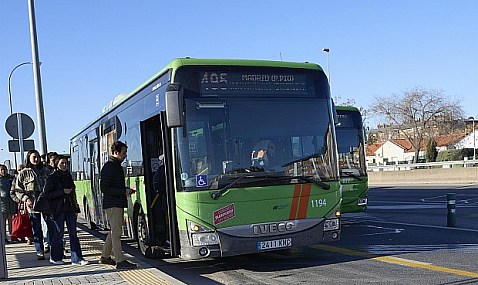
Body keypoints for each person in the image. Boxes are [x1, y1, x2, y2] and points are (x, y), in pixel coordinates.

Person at [43, 155, 88, 265]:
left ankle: (77, 259)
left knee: (73, 233)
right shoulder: (52, 177)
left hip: (70, 208)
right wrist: (62, 191)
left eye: (66, 163)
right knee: (59, 233)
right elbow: (47, 194)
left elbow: (73, 193)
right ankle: (55, 257)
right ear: (57, 165)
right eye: (62, 163)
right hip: (58, 209)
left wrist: (76, 208)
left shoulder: (68, 176)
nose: (64, 165)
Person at [99, 141, 137, 269]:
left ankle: (105, 257)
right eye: (123, 152)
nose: (125, 155)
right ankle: (120, 261)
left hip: (115, 203)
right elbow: (104, 188)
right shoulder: (111, 166)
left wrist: (126, 190)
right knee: (116, 233)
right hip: (113, 204)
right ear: (116, 152)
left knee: (113, 231)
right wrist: (123, 191)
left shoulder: (114, 165)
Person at [11, 150, 51, 260]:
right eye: (34, 157)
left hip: (46, 204)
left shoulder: (46, 170)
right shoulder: (24, 173)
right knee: (36, 229)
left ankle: (53, 249)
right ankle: (39, 251)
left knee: (50, 227)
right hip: (32, 206)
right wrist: (26, 199)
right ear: (29, 158)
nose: (36, 159)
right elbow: (18, 190)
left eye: (37, 157)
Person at [0, 164, 17, 243]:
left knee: (11, 221)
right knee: (3, 222)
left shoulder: (11, 178)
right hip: (2, 204)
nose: (3, 171)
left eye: (5, 169)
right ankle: (4, 238)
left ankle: (12, 236)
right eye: (1, 170)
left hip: (11, 202)